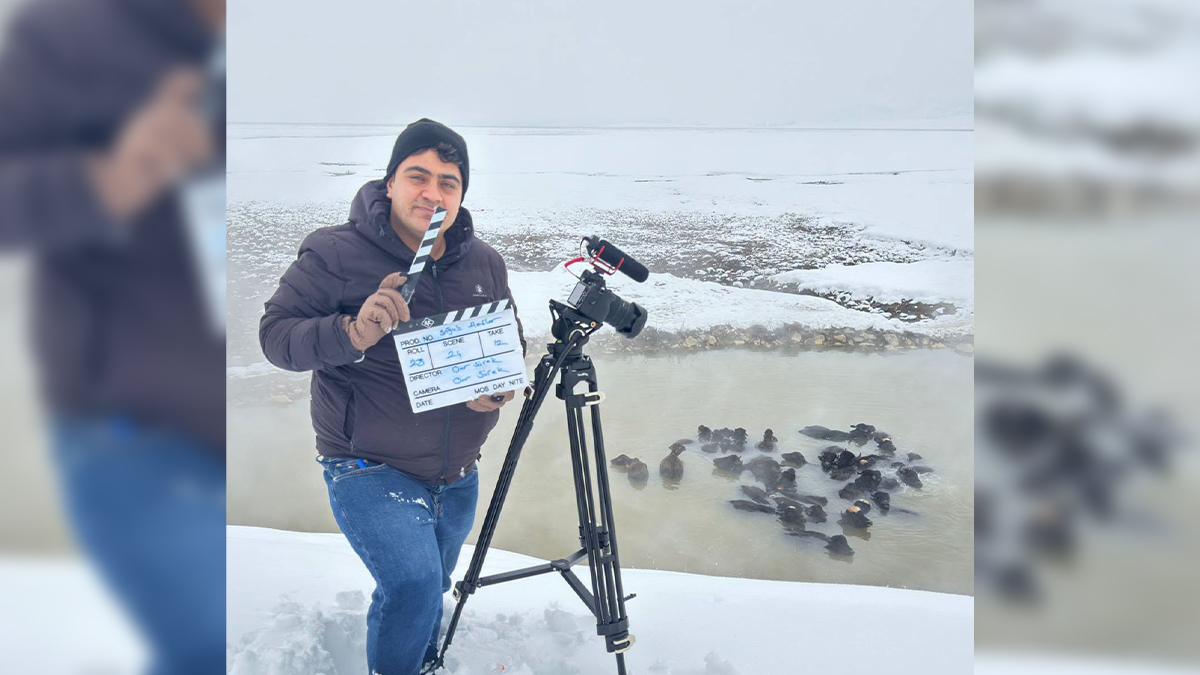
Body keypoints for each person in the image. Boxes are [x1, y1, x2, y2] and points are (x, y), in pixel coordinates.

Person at [0, 0, 226, 672]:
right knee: (206, 647)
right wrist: (105, 180)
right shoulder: (68, 35)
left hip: (223, 424)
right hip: (132, 430)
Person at [260, 118, 526, 674]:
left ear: (461, 194)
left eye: (448, 183)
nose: (433, 193)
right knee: (414, 582)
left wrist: (497, 387)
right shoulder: (336, 253)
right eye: (418, 177)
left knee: (431, 584)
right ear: (390, 184)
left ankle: (423, 661)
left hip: (457, 471)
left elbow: (506, 342)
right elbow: (276, 337)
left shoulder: (483, 263)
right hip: (367, 464)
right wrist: (350, 334)